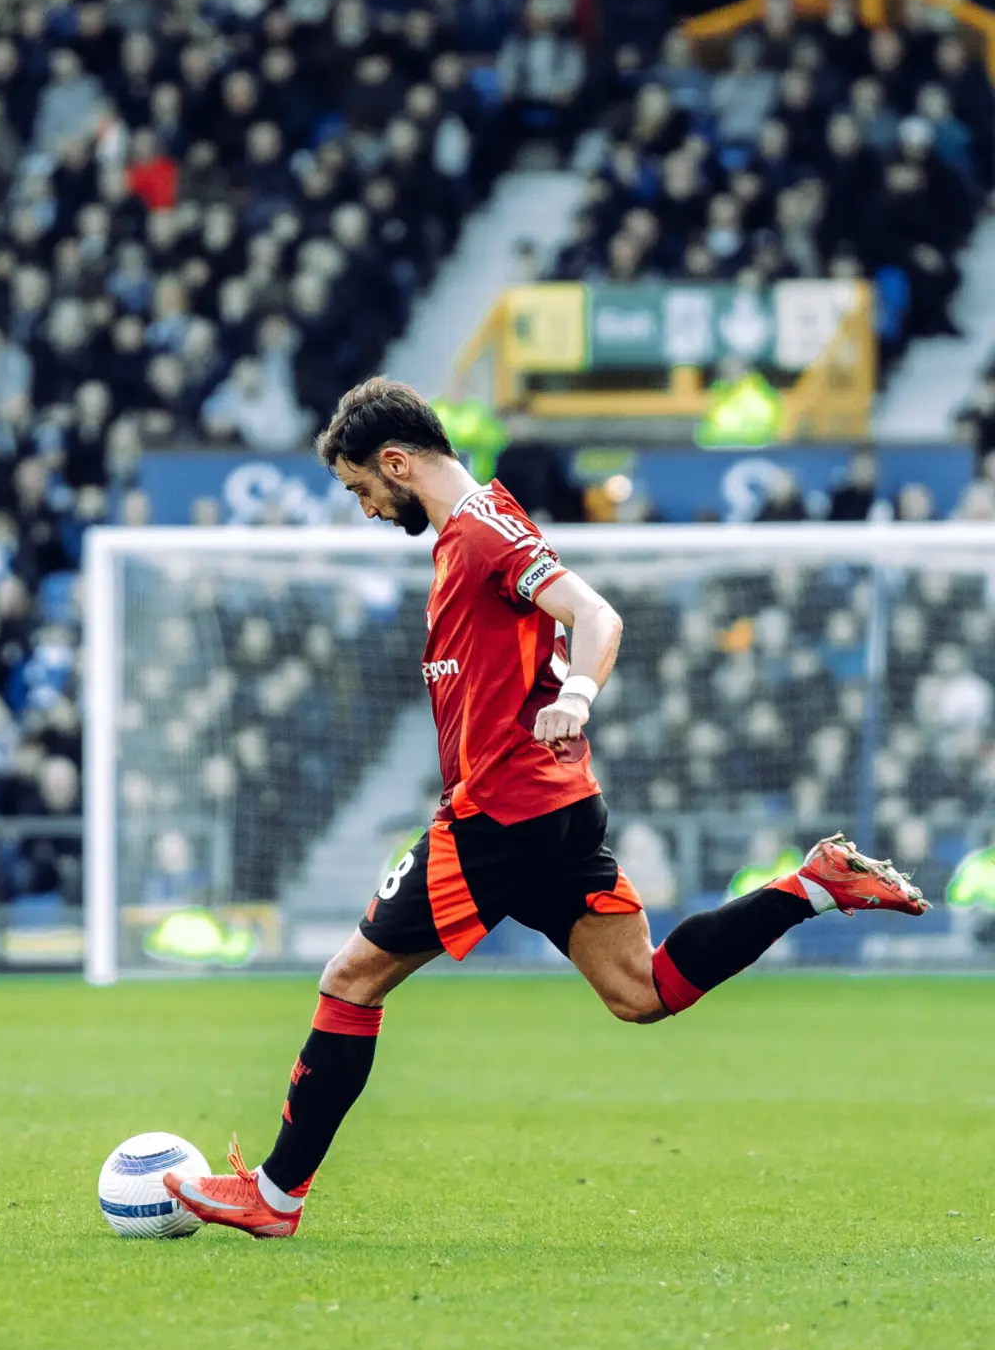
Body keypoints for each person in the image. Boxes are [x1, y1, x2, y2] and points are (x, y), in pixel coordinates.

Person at [166, 379, 928, 1240]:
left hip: (501, 812)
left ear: (396, 462)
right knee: (641, 991)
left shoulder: (484, 532)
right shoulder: (474, 531)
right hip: (557, 805)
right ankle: (814, 886)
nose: (367, 508)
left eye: (360, 487)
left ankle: (275, 1195)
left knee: (350, 978)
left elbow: (596, 614)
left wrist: (576, 693)